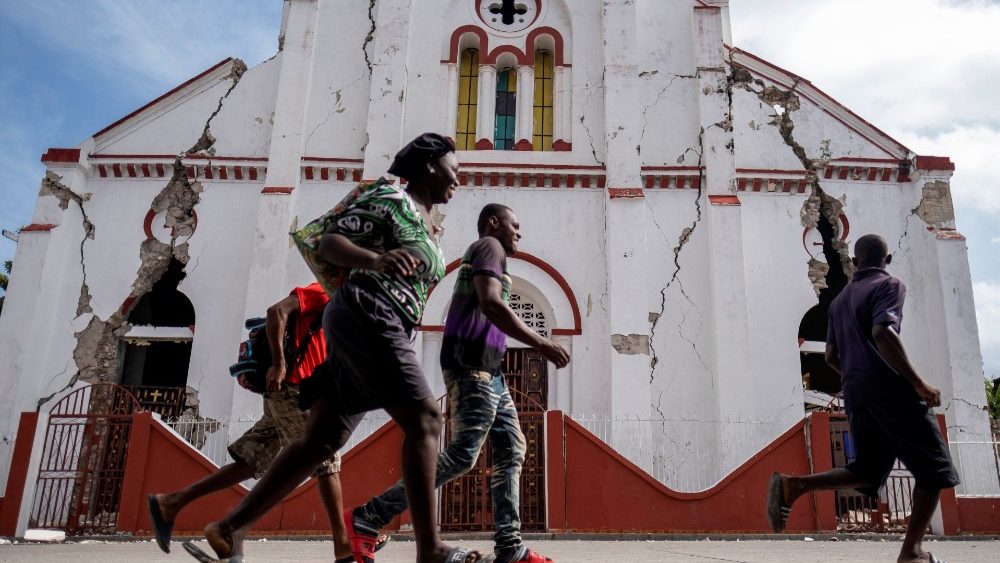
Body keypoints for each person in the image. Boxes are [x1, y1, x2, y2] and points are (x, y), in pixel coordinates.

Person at [183, 133, 480, 563]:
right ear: (431, 165)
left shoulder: (426, 220)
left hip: (379, 321)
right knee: (427, 420)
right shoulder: (389, 198)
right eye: (455, 168)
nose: (459, 177)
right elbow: (331, 243)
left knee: (321, 441)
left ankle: (228, 526)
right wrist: (375, 260)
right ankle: (430, 550)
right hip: (370, 314)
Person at [345, 203, 570, 563]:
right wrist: (541, 342)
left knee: (512, 449)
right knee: (464, 454)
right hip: (471, 368)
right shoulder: (489, 247)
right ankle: (368, 517)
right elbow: (492, 303)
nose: (519, 233)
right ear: (494, 223)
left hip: (491, 374)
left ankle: (511, 547)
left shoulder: (495, 255)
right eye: (515, 224)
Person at [147, 283, 388, 561]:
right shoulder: (325, 291)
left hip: (295, 392)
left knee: (250, 462)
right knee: (325, 458)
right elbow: (276, 311)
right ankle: (342, 543)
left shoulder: (347, 307)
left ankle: (172, 503)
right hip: (293, 389)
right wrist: (279, 363)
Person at [766, 234, 959, 563]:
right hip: (891, 390)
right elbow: (883, 332)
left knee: (868, 472)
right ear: (888, 259)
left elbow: (830, 356)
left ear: (854, 262)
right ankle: (911, 551)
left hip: (858, 395)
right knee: (935, 470)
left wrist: (857, 377)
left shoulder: (839, 301)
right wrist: (919, 384)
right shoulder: (890, 284)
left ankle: (794, 486)